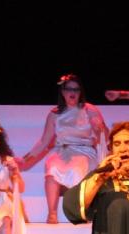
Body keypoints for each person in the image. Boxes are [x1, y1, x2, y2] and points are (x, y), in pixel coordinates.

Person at [16, 74, 108, 223]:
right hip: (62, 151)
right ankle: (52, 213)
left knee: (77, 169)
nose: (73, 93)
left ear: (80, 92)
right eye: (69, 89)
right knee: (52, 167)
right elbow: (43, 141)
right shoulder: (54, 114)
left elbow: (105, 136)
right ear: (63, 92)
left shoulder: (89, 110)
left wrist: (100, 127)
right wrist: (25, 159)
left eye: (76, 89)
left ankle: (80, 211)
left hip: (84, 151)